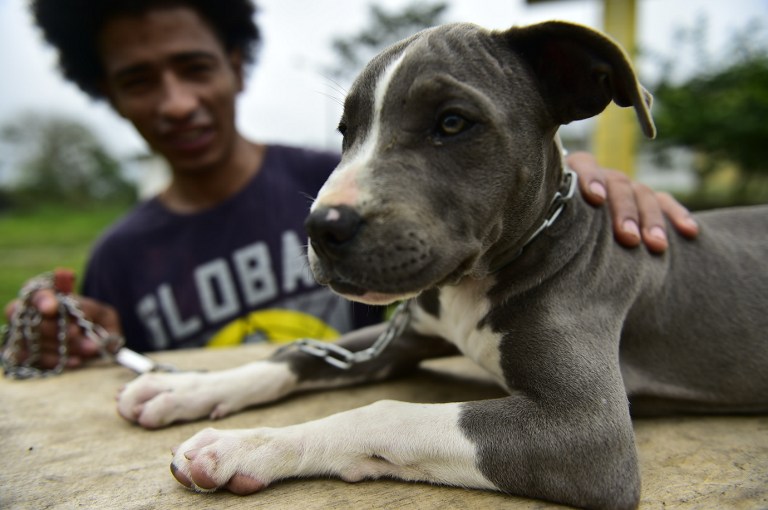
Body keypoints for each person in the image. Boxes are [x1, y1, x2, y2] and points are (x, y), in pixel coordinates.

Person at [3, 0, 698, 372]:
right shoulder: (122, 255)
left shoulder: (329, 179)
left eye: (194, 67)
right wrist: (73, 343)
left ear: (238, 66)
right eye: (138, 80)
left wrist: (573, 177)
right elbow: (126, 370)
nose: (177, 101)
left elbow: (481, 180)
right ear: (108, 97)